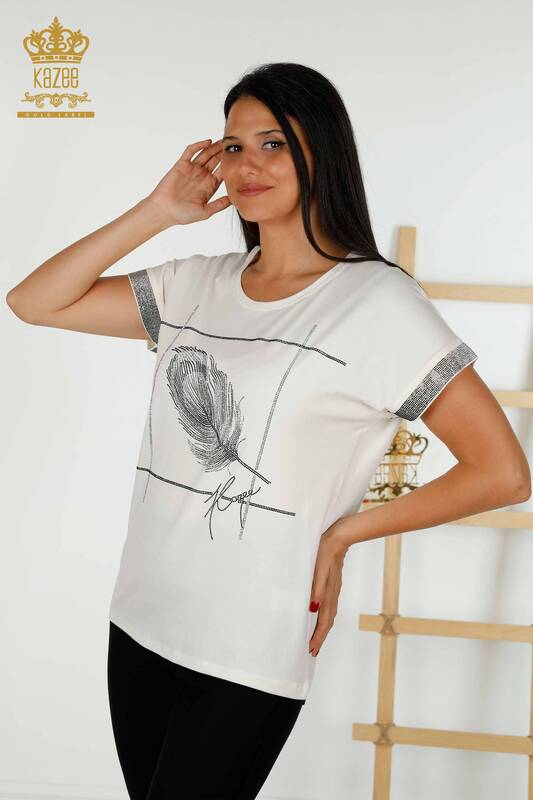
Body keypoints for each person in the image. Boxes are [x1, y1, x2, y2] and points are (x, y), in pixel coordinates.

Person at [6, 62, 530, 799]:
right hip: (143, 616)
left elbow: (502, 472)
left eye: (272, 143)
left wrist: (343, 534)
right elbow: (33, 302)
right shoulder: (197, 283)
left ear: (322, 152)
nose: (247, 165)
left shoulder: (377, 303)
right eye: (232, 147)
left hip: (247, 645)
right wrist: (157, 211)